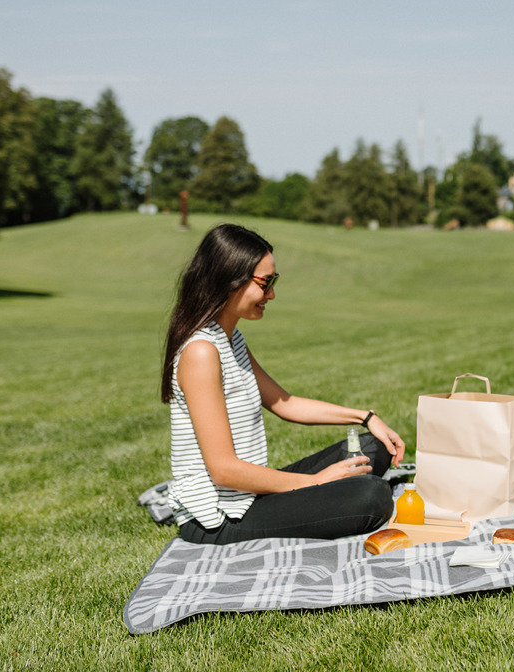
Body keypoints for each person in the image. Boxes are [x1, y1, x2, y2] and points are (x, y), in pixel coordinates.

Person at [160, 223, 404, 544]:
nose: (272, 294)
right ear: (229, 280)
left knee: (373, 447)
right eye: (265, 282)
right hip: (219, 516)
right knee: (371, 496)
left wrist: (366, 417)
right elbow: (223, 470)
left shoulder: (229, 340)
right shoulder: (201, 352)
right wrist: (316, 482)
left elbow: (284, 403)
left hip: (246, 495)